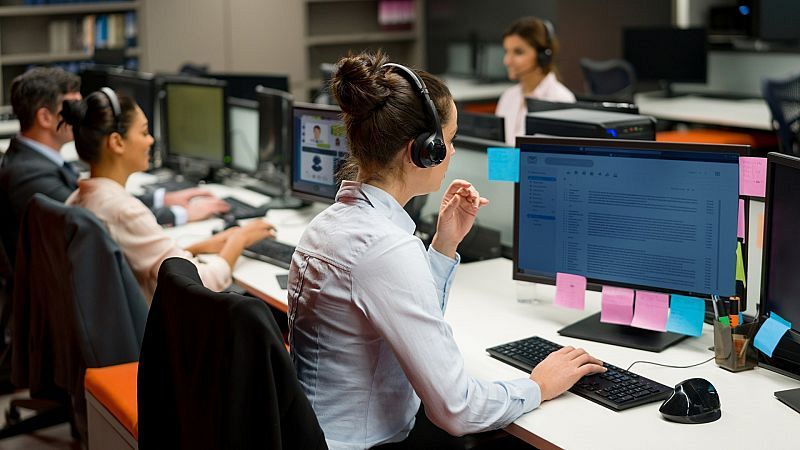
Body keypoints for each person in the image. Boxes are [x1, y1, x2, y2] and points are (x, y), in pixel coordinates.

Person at [288, 52, 605, 450]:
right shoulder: (384, 250)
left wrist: (443, 245)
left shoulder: (329, 226)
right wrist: (538, 385)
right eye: (449, 140)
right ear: (423, 150)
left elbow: (405, 319)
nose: (452, 152)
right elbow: (458, 411)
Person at [0, 67, 228, 267]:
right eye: (73, 107)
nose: (82, 115)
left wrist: (163, 199)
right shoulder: (28, 175)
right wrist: (183, 216)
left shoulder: (37, 160)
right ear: (45, 117)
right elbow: (106, 219)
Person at [62, 89, 275, 301]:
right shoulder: (122, 212)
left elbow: (137, 261)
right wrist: (239, 240)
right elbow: (199, 285)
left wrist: (199, 247)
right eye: (144, 132)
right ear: (117, 142)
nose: (150, 140)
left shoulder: (76, 201)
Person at [495, 17, 576, 145]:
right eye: (506, 51)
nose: (507, 61)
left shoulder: (561, 100)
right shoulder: (508, 96)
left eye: (518, 52)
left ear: (542, 56)